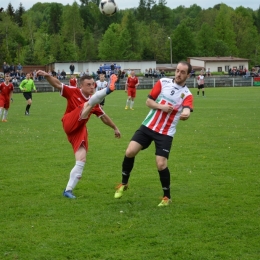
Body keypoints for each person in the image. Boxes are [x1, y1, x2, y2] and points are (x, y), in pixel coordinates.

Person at [114, 61, 193, 207]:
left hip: (165, 132)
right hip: (148, 126)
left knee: (161, 164)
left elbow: (188, 109)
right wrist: (161, 106)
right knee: (130, 151)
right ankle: (124, 184)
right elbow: (148, 102)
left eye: (183, 72)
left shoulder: (187, 94)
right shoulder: (163, 82)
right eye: (177, 71)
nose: (179, 74)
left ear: (188, 75)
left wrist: (186, 114)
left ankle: (167, 197)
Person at [36, 70, 120, 199]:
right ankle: (108, 90)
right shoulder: (73, 91)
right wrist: (47, 76)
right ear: (81, 85)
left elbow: (103, 117)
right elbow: (58, 84)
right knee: (88, 104)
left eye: (93, 84)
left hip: (79, 129)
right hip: (69, 121)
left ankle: (68, 190)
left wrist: (114, 127)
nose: (92, 87)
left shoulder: (94, 103)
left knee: (81, 160)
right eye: (88, 84)